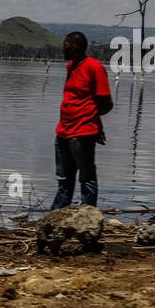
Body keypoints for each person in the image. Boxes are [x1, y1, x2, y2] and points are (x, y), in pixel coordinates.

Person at [51, 31, 113, 209]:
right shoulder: (71, 66)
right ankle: (56, 217)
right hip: (63, 131)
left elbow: (105, 102)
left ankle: (88, 218)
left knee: (87, 178)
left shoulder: (94, 67)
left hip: (83, 132)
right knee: (64, 180)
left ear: (75, 47)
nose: (63, 48)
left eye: (66, 45)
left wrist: (92, 121)